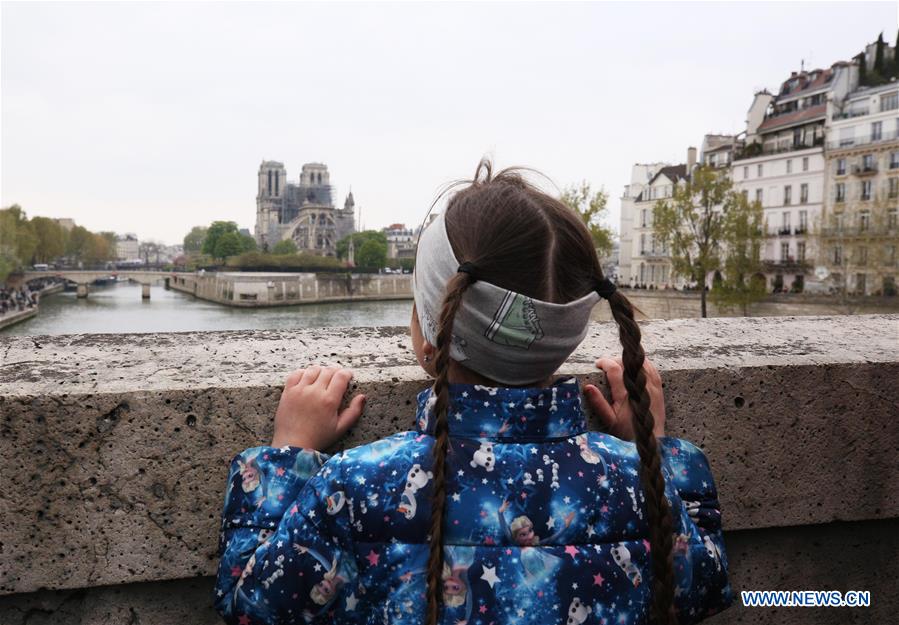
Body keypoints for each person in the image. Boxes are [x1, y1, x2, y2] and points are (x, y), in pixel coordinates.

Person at [214, 160, 733, 625]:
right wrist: (654, 450)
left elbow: (254, 607)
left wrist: (287, 458)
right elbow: (704, 584)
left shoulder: (355, 484)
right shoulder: (634, 481)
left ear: (428, 336)